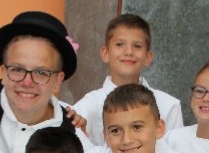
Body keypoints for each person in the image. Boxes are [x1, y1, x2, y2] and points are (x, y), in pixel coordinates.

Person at [73, 13, 183, 145]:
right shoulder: (87, 107)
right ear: (105, 53)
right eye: (119, 44)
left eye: (137, 46)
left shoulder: (169, 106)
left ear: (148, 57)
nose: (129, 51)